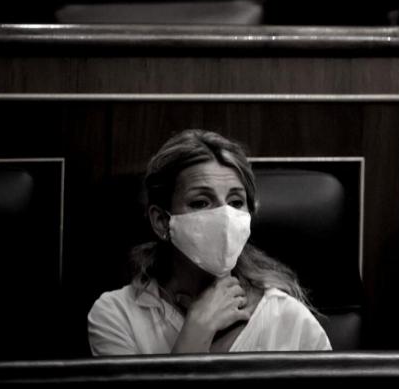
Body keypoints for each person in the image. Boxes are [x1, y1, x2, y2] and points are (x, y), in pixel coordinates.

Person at [88, 129, 332, 354]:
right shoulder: (116, 315)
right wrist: (197, 330)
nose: (225, 217)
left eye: (236, 202)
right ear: (162, 220)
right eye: (201, 202)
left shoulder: (288, 317)